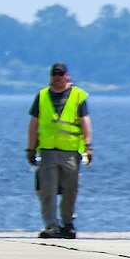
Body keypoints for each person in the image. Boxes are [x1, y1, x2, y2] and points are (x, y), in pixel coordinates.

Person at [26, 62, 92, 239]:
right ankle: (51, 225)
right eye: (54, 74)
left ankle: (67, 223)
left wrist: (87, 146)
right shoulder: (42, 96)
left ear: (67, 76)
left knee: (71, 189)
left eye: (60, 74)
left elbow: (85, 121)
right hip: (47, 151)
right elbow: (34, 124)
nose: (57, 77)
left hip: (70, 152)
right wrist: (31, 149)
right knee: (47, 190)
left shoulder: (78, 96)